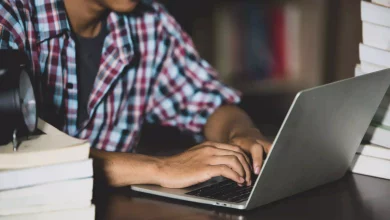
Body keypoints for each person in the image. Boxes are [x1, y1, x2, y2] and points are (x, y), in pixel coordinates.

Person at [0, 0, 272, 188]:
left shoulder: (150, 23)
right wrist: (160, 168)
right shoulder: (10, 19)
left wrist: (240, 133)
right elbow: (15, 157)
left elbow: (209, 103)